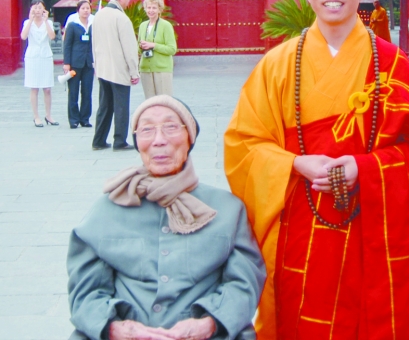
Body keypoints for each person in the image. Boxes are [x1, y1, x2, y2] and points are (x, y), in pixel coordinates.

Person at [225, 0, 409, 340]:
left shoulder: (392, 63)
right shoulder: (277, 64)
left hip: (374, 229)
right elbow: (243, 144)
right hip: (302, 226)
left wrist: (366, 168)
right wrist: (293, 164)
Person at [67, 95, 265, 340]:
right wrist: (118, 329)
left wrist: (208, 325)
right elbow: (85, 294)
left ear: (189, 138)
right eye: (147, 130)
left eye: (171, 128)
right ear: (138, 142)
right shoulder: (105, 211)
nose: (159, 141)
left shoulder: (228, 210)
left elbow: (244, 285)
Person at [91, 0, 139, 151]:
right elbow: (130, 48)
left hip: (102, 68)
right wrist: (134, 71)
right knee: (121, 106)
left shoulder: (98, 15)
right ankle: (120, 140)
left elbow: (94, 43)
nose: (129, 0)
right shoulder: (121, 18)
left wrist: (96, 65)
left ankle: (98, 140)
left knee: (104, 105)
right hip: (118, 69)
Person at [21, 0, 58, 127]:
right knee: (34, 87)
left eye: (40, 7)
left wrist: (46, 21)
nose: (37, 10)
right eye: (35, 8)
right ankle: (36, 116)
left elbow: (52, 36)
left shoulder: (48, 22)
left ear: (44, 9)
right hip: (32, 57)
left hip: (45, 56)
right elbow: (23, 36)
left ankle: (48, 115)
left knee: (47, 88)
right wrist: (31, 20)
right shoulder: (27, 22)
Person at [63, 0, 94, 129]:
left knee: (87, 92)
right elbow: (67, 45)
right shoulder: (72, 25)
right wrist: (66, 63)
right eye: (83, 8)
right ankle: (74, 119)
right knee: (73, 92)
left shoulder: (93, 24)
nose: (86, 11)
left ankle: (85, 118)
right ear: (78, 10)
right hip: (75, 63)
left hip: (88, 64)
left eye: (88, 8)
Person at [138, 0, 177, 97]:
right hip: (145, 68)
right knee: (150, 102)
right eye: (149, 7)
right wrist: (141, 46)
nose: (151, 10)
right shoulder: (143, 26)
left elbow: (172, 49)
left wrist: (153, 45)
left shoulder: (166, 25)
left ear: (160, 9)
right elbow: (139, 46)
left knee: (164, 102)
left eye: (154, 8)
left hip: (162, 69)